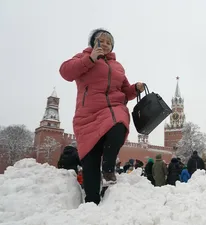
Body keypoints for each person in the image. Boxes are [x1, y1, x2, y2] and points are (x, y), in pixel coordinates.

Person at [59, 28, 145, 205]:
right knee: (90, 163)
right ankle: (92, 205)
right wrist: (90, 59)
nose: (105, 44)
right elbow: (65, 72)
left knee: (119, 123)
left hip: (112, 109)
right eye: (101, 40)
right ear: (93, 43)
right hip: (87, 115)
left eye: (108, 42)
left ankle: (108, 169)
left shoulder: (117, 66)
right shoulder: (82, 58)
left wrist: (135, 88)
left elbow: (125, 91)